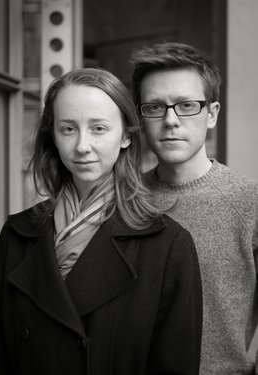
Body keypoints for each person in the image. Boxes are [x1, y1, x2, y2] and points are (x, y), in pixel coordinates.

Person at [0, 67, 202, 375]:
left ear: (125, 136)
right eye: (68, 129)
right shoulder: (18, 233)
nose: (82, 146)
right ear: (53, 137)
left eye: (98, 129)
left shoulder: (167, 244)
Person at [130, 41, 258, 375]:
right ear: (141, 117)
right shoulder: (123, 199)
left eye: (186, 105)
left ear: (212, 113)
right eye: (155, 107)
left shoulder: (250, 201)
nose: (171, 120)